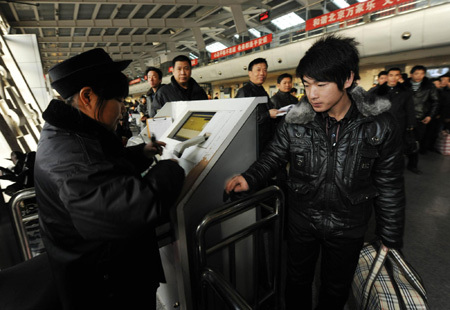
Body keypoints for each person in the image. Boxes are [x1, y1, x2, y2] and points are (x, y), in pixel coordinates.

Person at [225, 35, 405, 310]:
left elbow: (389, 183)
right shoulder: (298, 119)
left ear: (347, 79)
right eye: (307, 85)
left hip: (349, 224)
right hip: (302, 218)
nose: (312, 94)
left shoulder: (379, 125)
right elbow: (274, 155)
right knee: (296, 281)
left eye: (321, 85)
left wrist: (390, 237)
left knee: (335, 288)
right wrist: (249, 177)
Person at [35, 48, 185, 310]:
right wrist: (172, 168)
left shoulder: (68, 134)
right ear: (88, 96)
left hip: (99, 272)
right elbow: (134, 207)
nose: (123, 111)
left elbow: (102, 169)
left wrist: (140, 154)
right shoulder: (72, 160)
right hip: (108, 289)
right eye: (118, 100)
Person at [235, 58, 279, 153]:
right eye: (258, 70)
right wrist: (267, 114)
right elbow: (240, 119)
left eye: (265, 70)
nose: (262, 73)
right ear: (250, 73)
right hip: (253, 142)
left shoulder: (262, 90)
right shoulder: (244, 92)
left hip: (266, 139)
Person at [369, 68, 416, 155]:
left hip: (398, 123)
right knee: (379, 145)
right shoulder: (377, 91)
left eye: (396, 75)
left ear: (400, 77)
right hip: (380, 123)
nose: (393, 78)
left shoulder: (405, 92)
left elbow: (410, 108)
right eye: (391, 75)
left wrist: (411, 124)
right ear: (387, 77)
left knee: (395, 146)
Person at [404, 65, 439, 172]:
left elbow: (435, 102)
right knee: (399, 142)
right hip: (404, 118)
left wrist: (430, 116)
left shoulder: (429, 86)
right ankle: (396, 165)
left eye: (422, 73)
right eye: (416, 73)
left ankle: (412, 165)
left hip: (420, 118)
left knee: (415, 143)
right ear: (411, 74)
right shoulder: (403, 85)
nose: (419, 76)